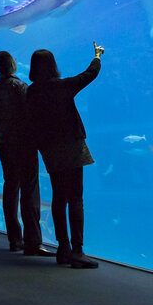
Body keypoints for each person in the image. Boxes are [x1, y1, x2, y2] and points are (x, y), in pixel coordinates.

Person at [26, 42, 103, 268]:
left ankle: (63, 248)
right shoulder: (62, 86)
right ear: (53, 66)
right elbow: (89, 75)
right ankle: (78, 251)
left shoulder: (31, 92)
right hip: (72, 146)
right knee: (75, 198)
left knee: (59, 197)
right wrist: (97, 56)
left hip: (50, 149)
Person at [0, 51, 48, 256]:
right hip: (24, 146)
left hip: (4, 146)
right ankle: (33, 242)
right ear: (12, 64)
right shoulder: (20, 86)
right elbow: (33, 115)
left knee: (11, 188)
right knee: (29, 190)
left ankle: (15, 240)